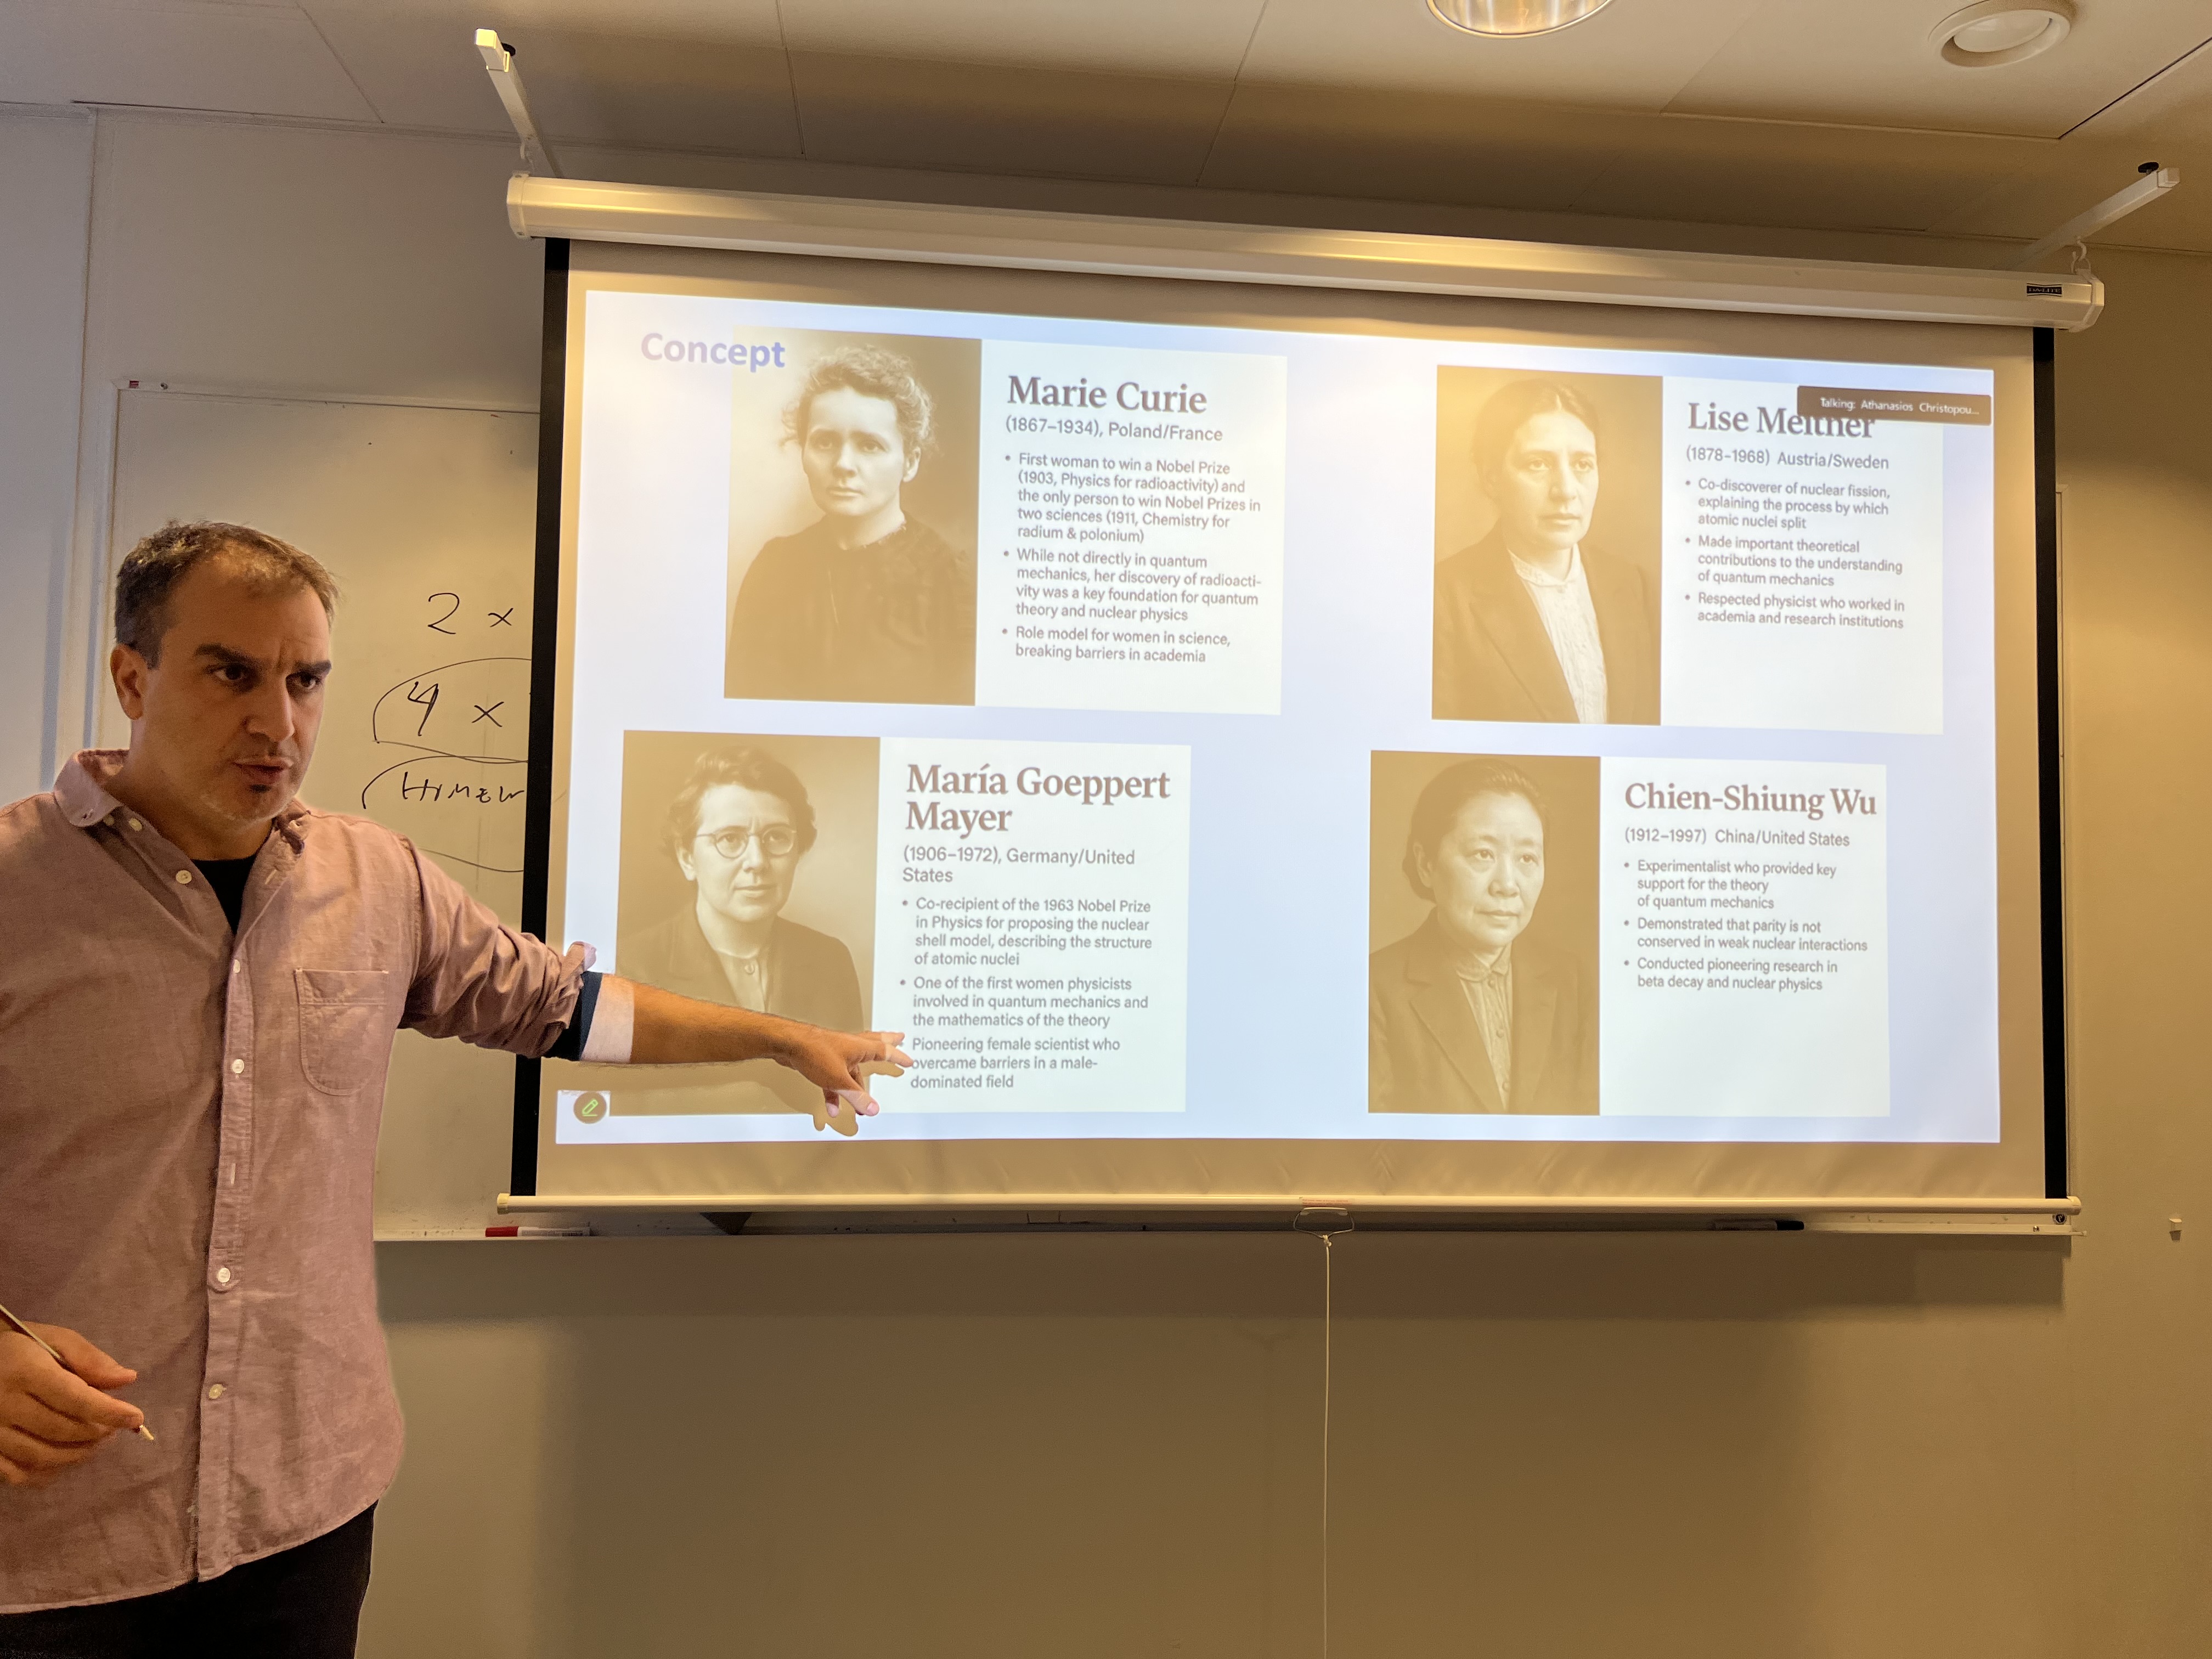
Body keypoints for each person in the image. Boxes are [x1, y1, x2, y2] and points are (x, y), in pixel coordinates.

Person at [0, 522, 909, 1654]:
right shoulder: (15, 885)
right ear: (133, 678)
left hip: (300, 1508)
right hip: (61, 1532)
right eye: (232, 673)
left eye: (306, 680)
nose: (278, 722)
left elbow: (562, 1006)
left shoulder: (374, 879)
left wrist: (779, 1036)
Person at [725, 345, 975, 706]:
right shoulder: (775, 566)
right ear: (804, 452)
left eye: (869, 446)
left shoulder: (951, 580)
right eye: (825, 442)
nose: (843, 464)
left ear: (910, 462)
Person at [620, 746, 865, 1113]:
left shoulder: (830, 960)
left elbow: (849, 1102)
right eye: (730, 839)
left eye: (776, 837)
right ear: (687, 857)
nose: (757, 862)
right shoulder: (630, 965)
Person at [1369, 759, 1596, 1115]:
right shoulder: (1374, 989)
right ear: (1426, 864)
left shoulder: (1574, 983)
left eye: (1527, 858)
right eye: (1483, 854)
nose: (1507, 885)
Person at [1432, 379, 1658, 725]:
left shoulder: (1633, 585)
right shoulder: (1444, 597)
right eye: (1538, 464)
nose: (1566, 490)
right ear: (1491, 478)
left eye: (1582, 464)